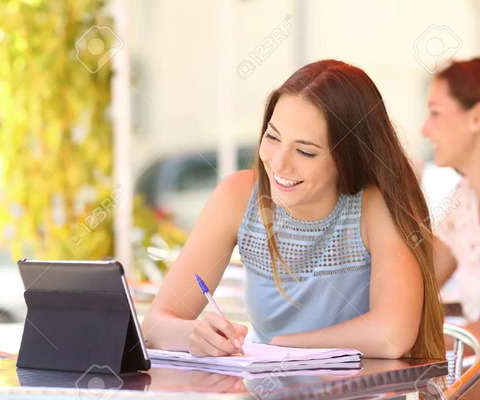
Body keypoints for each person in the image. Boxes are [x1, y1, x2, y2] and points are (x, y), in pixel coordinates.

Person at [141, 59, 446, 360]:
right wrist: (192, 335)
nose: (279, 163)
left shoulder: (373, 207)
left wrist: (282, 345)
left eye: (305, 151)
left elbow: (392, 335)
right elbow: (155, 323)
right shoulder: (236, 197)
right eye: (272, 137)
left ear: (348, 158)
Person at [421, 58, 480, 334]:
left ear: (476, 118)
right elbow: (418, 287)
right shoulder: (464, 200)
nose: (425, 130)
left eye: (435, 113)